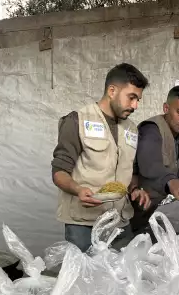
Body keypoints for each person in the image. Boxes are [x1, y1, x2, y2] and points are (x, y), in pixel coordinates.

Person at [51, 63, 151, 252]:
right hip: (83, 225)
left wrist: (135, 189)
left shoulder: (131, 129)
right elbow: (59, 172)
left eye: (138, 100)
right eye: (131, 97)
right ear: (112, 91)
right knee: (86, 270)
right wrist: (78, 189)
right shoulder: (77, 121)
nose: (135, 105)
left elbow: (131, 171)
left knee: (124, 270)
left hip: (120, 222)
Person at [131, 85, 179, 231]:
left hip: (161, 218)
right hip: (139, 217)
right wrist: (171, 181)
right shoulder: (151, 130)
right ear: (166, 108)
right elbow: (150, 165)